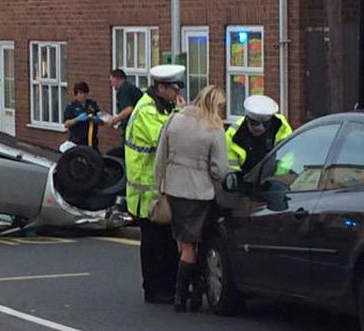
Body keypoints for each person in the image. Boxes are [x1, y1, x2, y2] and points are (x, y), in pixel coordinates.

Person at [154, 86, 229, 312]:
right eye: (221, 106)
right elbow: (219, 169)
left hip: (174, 189)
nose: (222, 111)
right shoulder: (215, 128)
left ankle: (193, 290)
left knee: (183, 242)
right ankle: (181, 294)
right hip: (198, 193)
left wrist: (160, 186)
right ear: (214, 104)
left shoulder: (174, 119)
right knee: (191, 246)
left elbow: (161, 155)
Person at [124, 64, 185, 304]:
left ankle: (167, 286)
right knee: (153, 244)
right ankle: (154, 289)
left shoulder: (163, 107)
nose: (177, 93)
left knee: (166, 243)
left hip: (158, 190)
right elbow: (165, 139)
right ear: (160, 88)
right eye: (174, 89)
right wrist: (181, 116)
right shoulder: (147, 110)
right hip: (145, 193)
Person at [225, 95, 293, 175]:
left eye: (266, 124)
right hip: (246, 177)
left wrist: (278, 177)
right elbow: (233, 171)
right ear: (247, 119)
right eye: (255, 123)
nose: (260, 128)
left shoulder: (282, 127)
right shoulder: (233, 136)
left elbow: (287, 156)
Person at [106, 69, 144, 158]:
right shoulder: (129, 88)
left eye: (111, 81)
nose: (111, 85)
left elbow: (128, 109)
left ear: (117, 78)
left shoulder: (124, 89)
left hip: (134, 129)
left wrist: (115, 120)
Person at [63, 82, 103, 150]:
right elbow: (66, 124)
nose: (83, 95)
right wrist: (77, 119)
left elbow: (101, 120)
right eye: (81, 93)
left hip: (92, 142)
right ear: (76, 94)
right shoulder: (71, 106)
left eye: (85, 93)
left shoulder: (92, 104)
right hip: (77, 142)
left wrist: (97, 119)